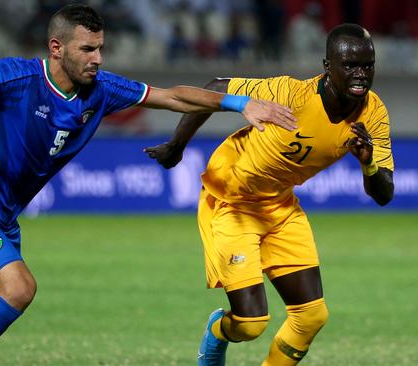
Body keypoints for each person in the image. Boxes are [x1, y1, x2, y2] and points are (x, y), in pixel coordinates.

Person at [0, 4, 297, 365]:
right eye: (88, 49)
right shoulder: (19, 75)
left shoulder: (102, 90)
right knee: (18, 288)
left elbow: (173, 96)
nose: (98, 59)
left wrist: (238, 102)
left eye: (100, 48)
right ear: (57, 48)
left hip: (0, 221)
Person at [145, 23, 394, 365]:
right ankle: (218, 331)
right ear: (327, 67)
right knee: (250, 324)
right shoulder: (290, 94)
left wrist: (367, 164)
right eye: (350, 65)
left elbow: (383, 193)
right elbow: (216, 86)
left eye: (367, 65)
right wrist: (176, 147)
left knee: (311, 317)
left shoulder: (374, 112)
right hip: (232, 202)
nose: (360, 74)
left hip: (280, 206)